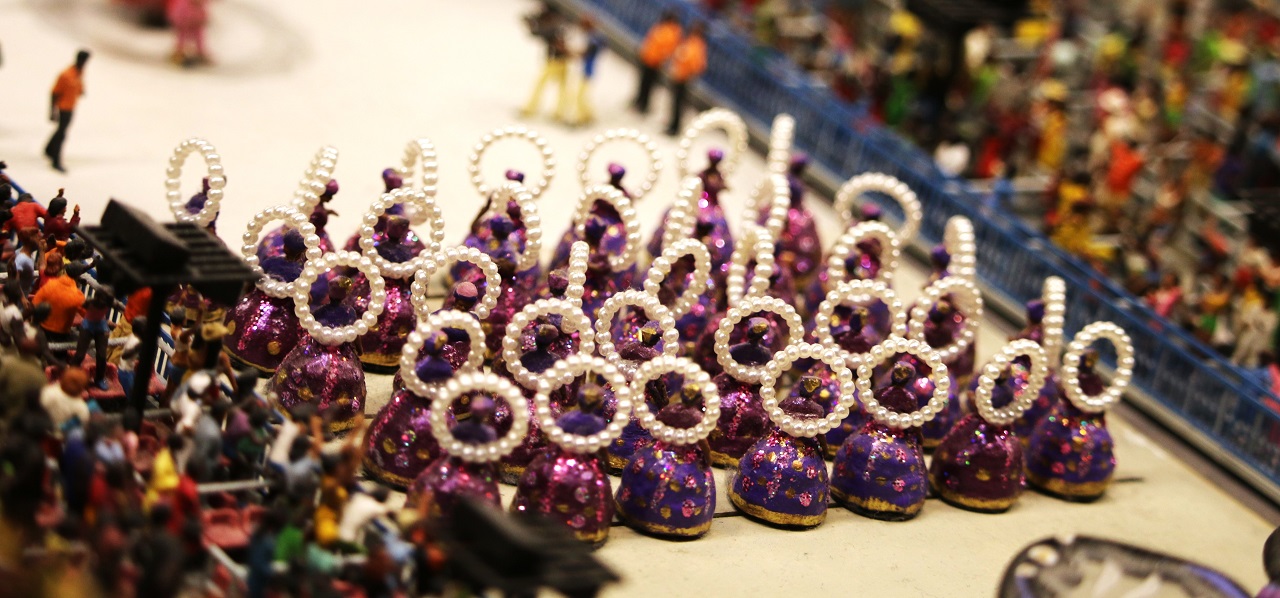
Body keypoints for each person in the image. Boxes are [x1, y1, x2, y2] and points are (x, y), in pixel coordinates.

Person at [521, 5, 571, 121]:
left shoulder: (554, 27)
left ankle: (531, 108)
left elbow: (538, 32)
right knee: (561, 87)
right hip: (559, 60)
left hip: (555, 61)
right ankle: (559, 112)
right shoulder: (559, 26)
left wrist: (531, 25)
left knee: (542, 84)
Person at [45, 50, 90, 173]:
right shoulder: (66, 75)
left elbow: (79, 85)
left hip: (71, 106)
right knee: (62, 133)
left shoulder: (79, 72)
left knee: (61, 130)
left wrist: (81, 90)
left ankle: (48, 149)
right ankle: (56, 160)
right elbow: (54, 93)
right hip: (63, 107)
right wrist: (52, 111)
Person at [634, 11, 682, 114]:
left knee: (649, 85)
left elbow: (667, 50)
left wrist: (661, 60)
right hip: (648, 59)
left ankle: (644, 105)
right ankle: (638, 100)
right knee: (643, 82)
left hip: (655, 63)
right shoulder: (660, 27)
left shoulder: (672, 32)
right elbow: (650, 41)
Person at [666, 21, 707, 136]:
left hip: (684, 78)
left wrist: (688, 72)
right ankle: (672, 125)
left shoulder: (698, 45)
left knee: (679, 104)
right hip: (678, 76)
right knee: (675, 103)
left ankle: (675, 128)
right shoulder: (689, 41)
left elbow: (696, 64)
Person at [31, 262, 86, 344]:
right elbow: (87, 315)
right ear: (78, 276)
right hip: (61, 335)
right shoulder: (78, 295)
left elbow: (34, 304)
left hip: (41, 329)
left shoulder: (50, 284)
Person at [571, 16, 605, 126]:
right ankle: (588, 115)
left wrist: (574, 53)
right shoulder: (594, 37)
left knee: (580, 95)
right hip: (587, 69)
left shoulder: (593, 39)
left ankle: (582, 117)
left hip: (587, 70)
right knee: (583, 95)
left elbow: (586, 52)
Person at [168, 0, 211, 67]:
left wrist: (200, 20)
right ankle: (179, 51)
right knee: (182, 36)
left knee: (199, 36)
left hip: (196, 24)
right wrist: (182, 22)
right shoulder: (183, 4)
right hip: (183, 24)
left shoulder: (202, 6)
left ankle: (200, 52)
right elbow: (177, 15)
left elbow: (204, 15)